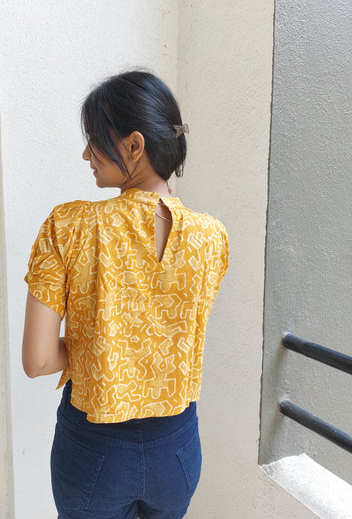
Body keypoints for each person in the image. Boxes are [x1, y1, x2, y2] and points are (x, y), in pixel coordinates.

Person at [22, 70, 229, 519]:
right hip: (178, 450)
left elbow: (37, 361)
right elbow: (175, 334)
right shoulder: (212, 239)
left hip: (95, 450)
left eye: (95, 140)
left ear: (134, 146)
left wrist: (100, 347)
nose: (85, 154)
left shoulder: (70, 227)